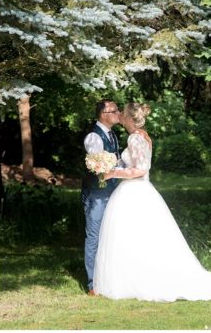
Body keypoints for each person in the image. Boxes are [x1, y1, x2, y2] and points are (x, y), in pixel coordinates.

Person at [93, 102, 211, 301]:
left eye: (122, 113)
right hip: (136, 191)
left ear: (131, 118)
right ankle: (134, 277)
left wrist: (112, 173)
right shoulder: (142, 136)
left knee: (136, 236)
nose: (120, 116)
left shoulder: (135, 138)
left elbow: (141, 170)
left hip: (135, 192)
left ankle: (140, 280)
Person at [81, 98, 123, 296]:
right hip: (97, 193)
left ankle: (109, 278)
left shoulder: (112, 135)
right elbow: (97, 165)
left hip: (112, 190)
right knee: (94, 236)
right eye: (115, 110)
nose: (118, 113)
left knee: (110, 234)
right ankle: (92, 284)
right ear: (103, 114)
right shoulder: (93, 137)